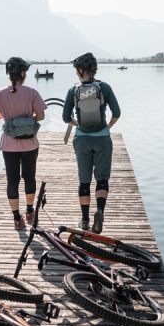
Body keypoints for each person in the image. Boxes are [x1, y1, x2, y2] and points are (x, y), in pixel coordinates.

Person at [62, 52, 120, 234]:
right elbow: (117, 112)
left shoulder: (73, 90)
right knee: (102, 178)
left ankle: (85, 220)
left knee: (84, 181)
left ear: (80, 70)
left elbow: (65, 118)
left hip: (82, 139)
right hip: (102, 139)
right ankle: (100, 211)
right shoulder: (105, 87)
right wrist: (106, 127)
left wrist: (77, 124)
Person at [0, 57, 47, 230]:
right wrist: (28, 120)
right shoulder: (32, 92)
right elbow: (41, 116)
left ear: (9, 74)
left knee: (12, 179)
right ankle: (30, 212)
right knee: (29, 176)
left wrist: (8, 117)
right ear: (23, 73)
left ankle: (17, 219)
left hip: (9, 145)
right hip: (30, 143)